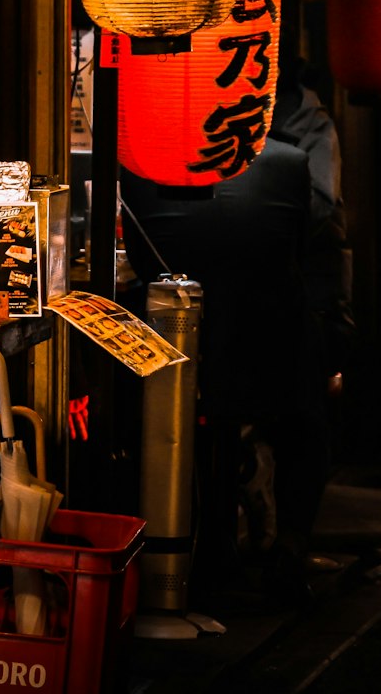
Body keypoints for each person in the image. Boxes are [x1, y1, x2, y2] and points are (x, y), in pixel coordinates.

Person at [121, 134, 333, 605]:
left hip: (173, 342)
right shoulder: (289, 161)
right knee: (304, 426)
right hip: (270, 338)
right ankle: (290, 549)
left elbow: (139, 259)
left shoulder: (136, 163)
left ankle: (200, 545)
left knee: (183, 424)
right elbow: (296, 250)